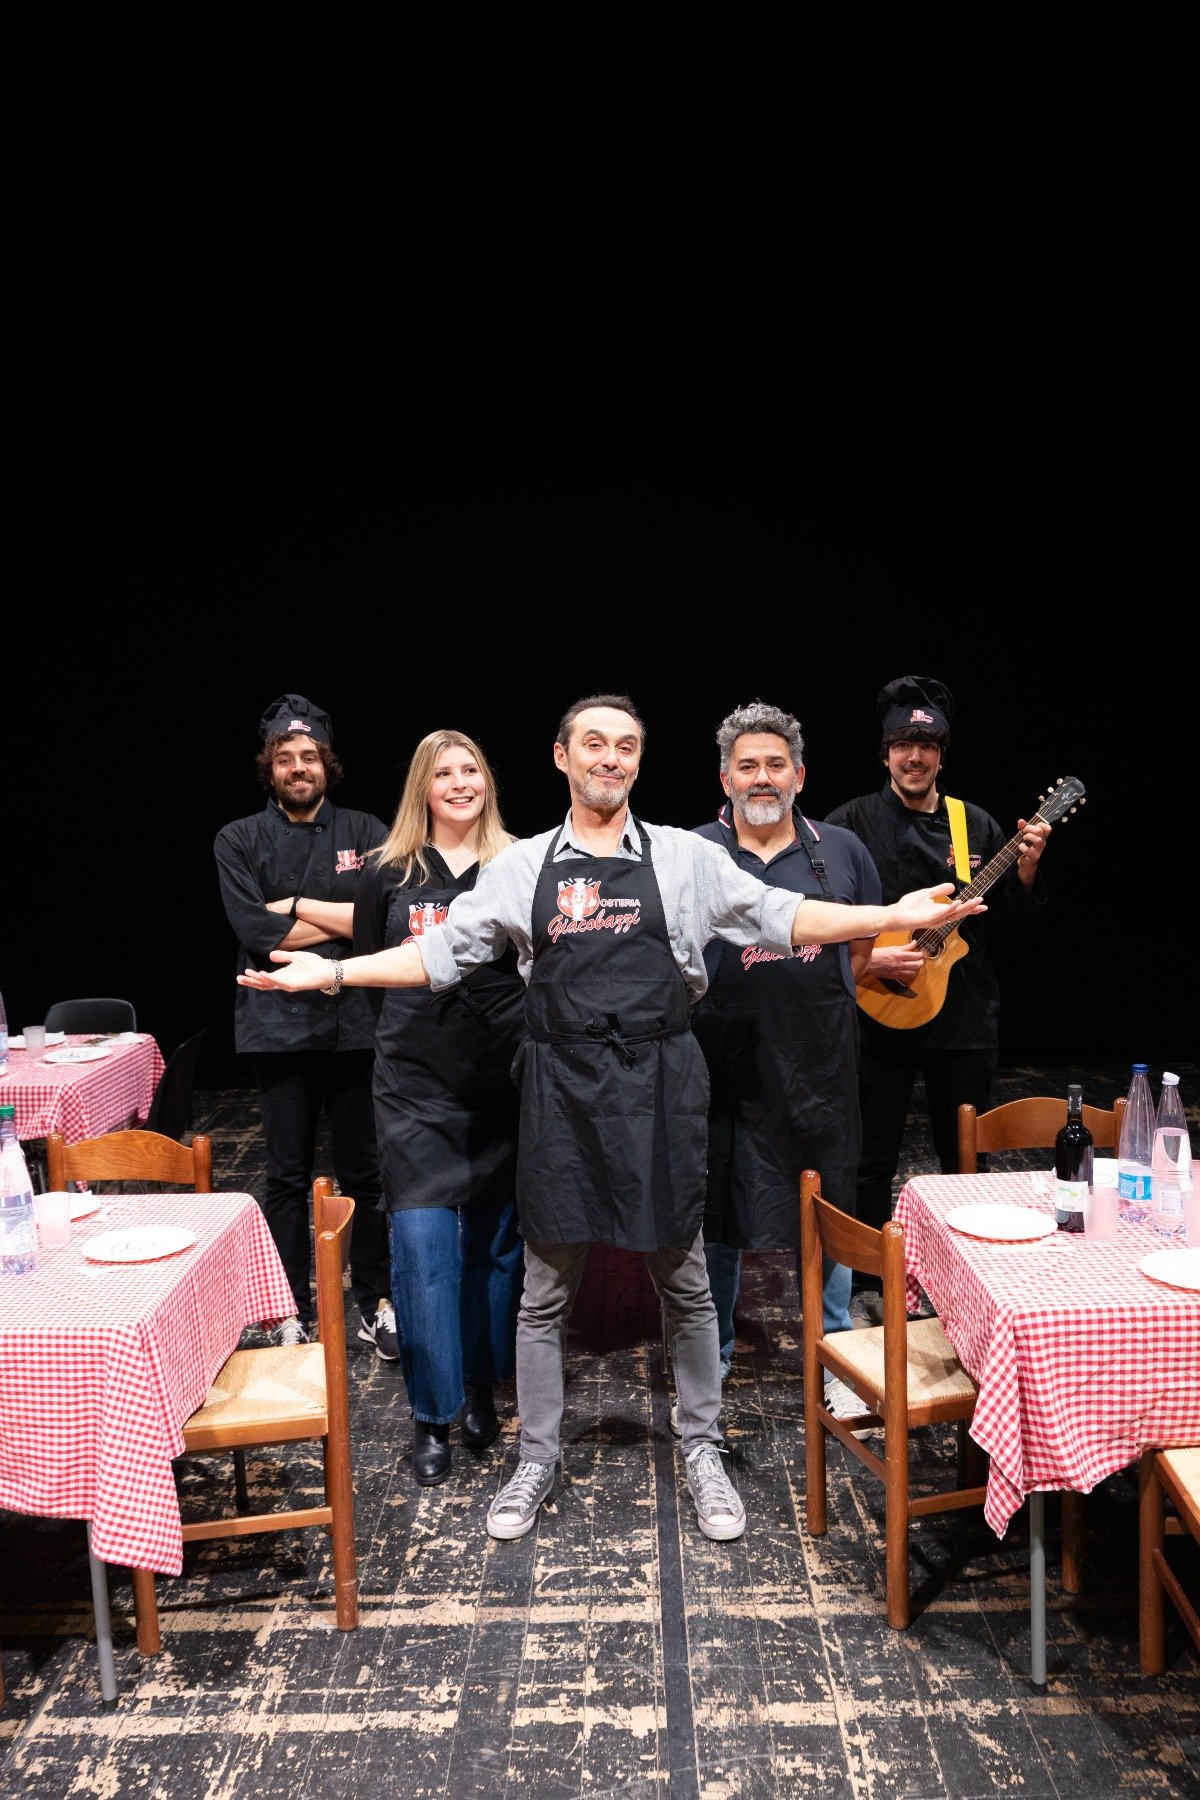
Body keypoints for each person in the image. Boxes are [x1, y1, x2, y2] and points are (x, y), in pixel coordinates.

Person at [237, 695, 985, 1546]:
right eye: (594, 743)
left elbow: (785, 917)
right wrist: (332, 978)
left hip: (663, 1083)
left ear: (638, 760)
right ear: (561, 756)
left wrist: (893, 914)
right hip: (561, 1089)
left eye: (626, 746)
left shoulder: (678, 858)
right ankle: (537, 1456)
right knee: (547, 1290)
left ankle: (701, 1444)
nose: (610, 758)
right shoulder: (520, 867)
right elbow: (436, 954)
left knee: (688, 1283)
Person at [825, 675, 1049, 1311]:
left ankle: (965, 1284)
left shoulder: (973, 825)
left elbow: (1003, 931)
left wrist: (1026, 871)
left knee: (963, 1156)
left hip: (963, 1021)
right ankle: (869, 1281)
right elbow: (816, 916)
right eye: (902, 743)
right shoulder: (847, 826)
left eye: (926, 743)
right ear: (885, 753)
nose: (914, 755)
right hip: (876, 1013)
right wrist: (869, 959)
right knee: (870, 1157)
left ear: (942, 753)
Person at [690, 700, 880, 1424]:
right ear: (725, 776)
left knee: (825, 1207)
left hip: (818, 1070)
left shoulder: (843, 850)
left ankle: (834, 1352)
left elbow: (857, 953)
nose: (761, 778)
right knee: (718, 1211)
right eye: (748, 766)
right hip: (720, 1069)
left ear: (799, 774)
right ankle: (714, 1354)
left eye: (775, 764)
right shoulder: (695, 850)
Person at [353, 730, 527, 1486]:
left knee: (494, 1251)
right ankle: (431, 1415)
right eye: (445, 774)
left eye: (473, 771)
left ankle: (482, 1387)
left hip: (501, 1085)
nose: (461, 784)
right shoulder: (385, 871)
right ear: (423, 787)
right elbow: (369, 966)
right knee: (423, 1252)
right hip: (413, 1089)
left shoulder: (519, 864)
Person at [214, 692, 396, 1354]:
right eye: (286, 758)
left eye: (310, 756)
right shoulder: (238, 839)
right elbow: (256, 933)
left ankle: (377, 1299)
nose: (299, 767)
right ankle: (285, 1303)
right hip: (277, 1027)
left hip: (359, 1025)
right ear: (271, 769)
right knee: (286, 1175)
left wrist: (293, 904)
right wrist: (339, 919)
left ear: (328, 764)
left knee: (368, 1172)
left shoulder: (369, 831)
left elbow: (382, 922)